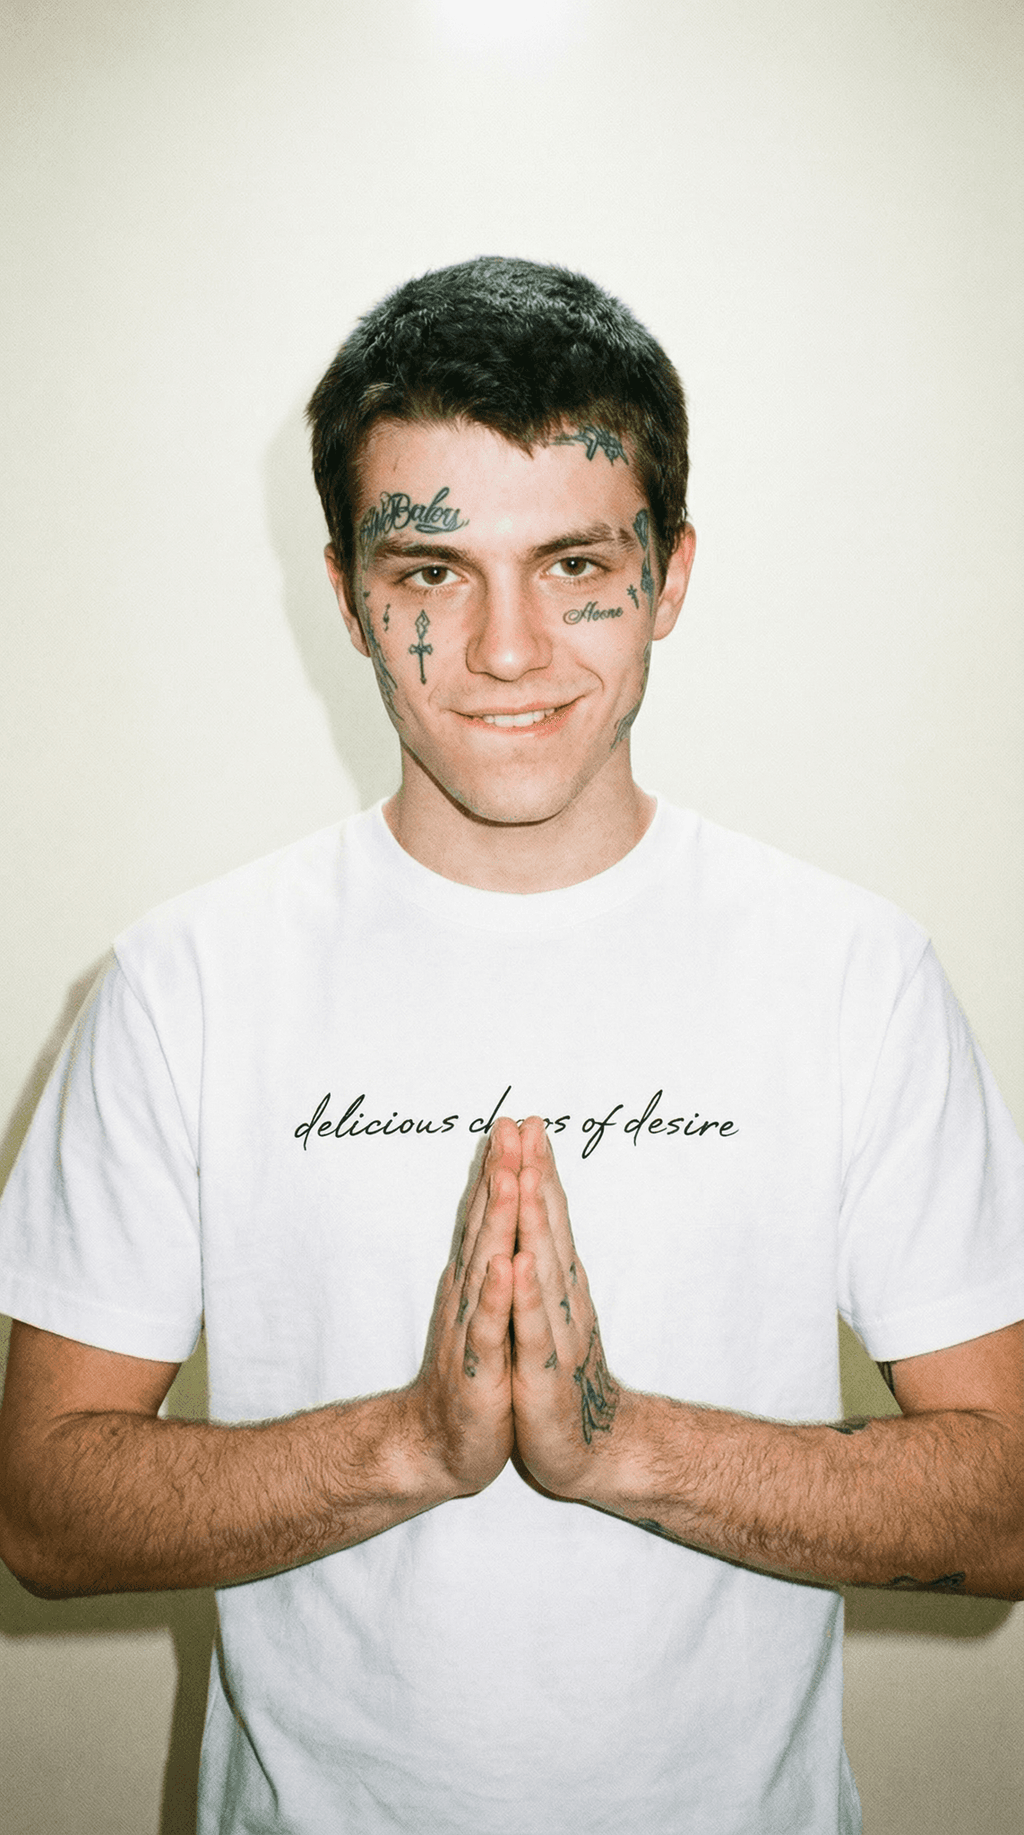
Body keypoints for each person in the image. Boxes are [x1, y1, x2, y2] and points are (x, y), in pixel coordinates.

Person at [0, 255, 1022, 1835]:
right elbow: (44, 1509)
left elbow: (1006, 1505)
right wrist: (410, 1442)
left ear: (670, 576)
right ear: (349, 593)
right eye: (431, 571)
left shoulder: (852, 974)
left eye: (574, 564)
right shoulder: (182, 983)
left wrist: (619, 1444)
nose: (506, 648)